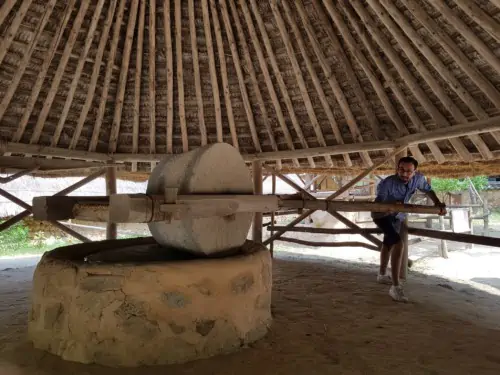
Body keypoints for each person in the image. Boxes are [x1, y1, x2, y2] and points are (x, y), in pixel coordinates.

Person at [372, 156, 446, 302]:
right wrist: (391, 205)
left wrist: (438, 203)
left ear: (415, 171)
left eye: (409, 171)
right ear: (397, 169)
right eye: (401, 170)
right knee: (398, 244)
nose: (405, 174)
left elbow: (428, 190)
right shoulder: (387, 184)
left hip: (398, 216)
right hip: (382, 216)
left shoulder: (418, 179)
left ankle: (381, 275)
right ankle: (395, 287)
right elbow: (376, 209)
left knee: (388, 242)